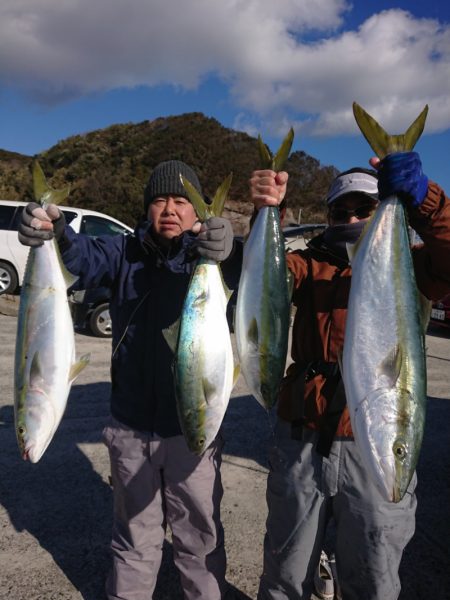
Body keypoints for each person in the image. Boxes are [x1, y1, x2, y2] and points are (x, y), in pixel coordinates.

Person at [18, 160, 237, 600]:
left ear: (197, 211)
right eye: (160, 200)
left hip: (189, 430)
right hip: (130, 428)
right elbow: (80, 256)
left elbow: (250, 273)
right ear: (146, 209)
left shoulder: (208, 259)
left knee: (200, 541)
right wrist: (55, 230)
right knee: (135, 538)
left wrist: (231, 245)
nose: (170, 209)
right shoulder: (121, 252)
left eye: (181, 200)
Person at [249, 152, 450, 600]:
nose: (352, 216)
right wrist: (269, 215)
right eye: (341, 211)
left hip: (374, 446)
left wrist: (426, 202)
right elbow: (261, 279)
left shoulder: (414, 267)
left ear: (381, 210)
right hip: (302, 437)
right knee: (285, 571)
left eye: (365, 207)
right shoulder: (306, 265)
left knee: (374, 578)